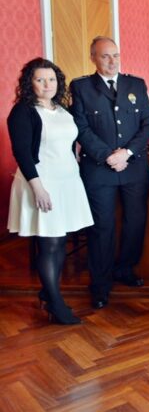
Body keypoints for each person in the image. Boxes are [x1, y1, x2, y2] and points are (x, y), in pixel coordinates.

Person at [7, 58, 94, 324]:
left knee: (59, 241)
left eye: (52, 79)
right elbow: (22, 152)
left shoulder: (62, 109)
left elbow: (68, 146)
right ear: (29, 83)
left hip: (67, 180)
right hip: (42, 182)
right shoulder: (23, 111)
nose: (47, 84)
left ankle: (49, 292)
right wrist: (38, 188)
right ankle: (55, 302)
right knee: (50, 242)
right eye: (40, 79)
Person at [70, 36, 149, 310]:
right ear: (93, 57)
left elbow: (147, 124)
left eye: (115, 55)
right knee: (102, 227)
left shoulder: (136, 84)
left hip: (134, 166)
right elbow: (81, 127)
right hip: (98, 169)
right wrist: (108, 155)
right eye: (105, 56)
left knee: (136, 221)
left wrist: (126, 153)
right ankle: (101, 283)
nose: (112, 61)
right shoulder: (82, 87)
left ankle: (125, 269)